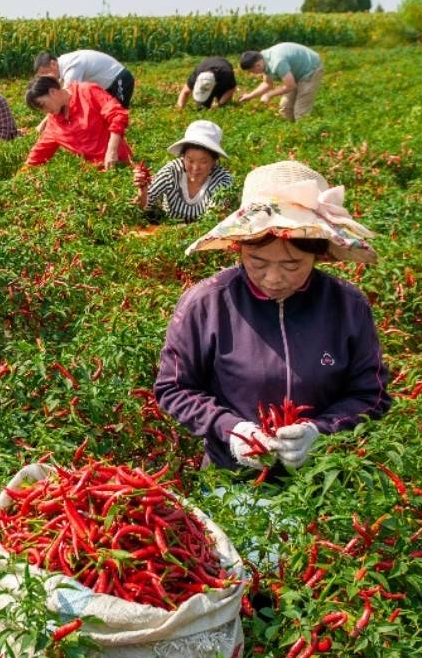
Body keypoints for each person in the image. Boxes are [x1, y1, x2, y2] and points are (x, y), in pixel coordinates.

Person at [155, 161, 388, 478]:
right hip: (232, 475)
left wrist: (320, 432)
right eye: (257, 261)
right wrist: (232, 431)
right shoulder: (207, 303)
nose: (274, 278)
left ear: (318, 254)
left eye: (292, 265)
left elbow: (370, 395)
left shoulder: (347, 306)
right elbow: (175, 388)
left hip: (326, 477)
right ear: (238, 247)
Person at [132, 120, 235, 224]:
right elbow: (143, 206)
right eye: (190, 160)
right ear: (183, 157)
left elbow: (212, 220)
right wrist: (143, 190)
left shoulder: (223, 181)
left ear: (214, 161)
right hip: (166, 225)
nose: (195, 168)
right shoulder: (172, 172)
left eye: (203, 161)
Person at [22, 75, 132, 170]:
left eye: (43, 105)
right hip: (94, 173)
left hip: (119, 162)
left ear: (53, 92)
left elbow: (117, 115)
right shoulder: (54, 121)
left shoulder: (86, 91)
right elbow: (40, 152)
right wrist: (22, 176)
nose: (44, 111)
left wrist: (112, 151)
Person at [236, 43, 324, 122]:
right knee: (285, 108)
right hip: (295, 73)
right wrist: (250, 96)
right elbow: (267, 84)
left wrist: (269, 95)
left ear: (257, 65)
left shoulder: (277, 62)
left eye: (252, 71)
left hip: (310, 69)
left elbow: (290, 86)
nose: (252, 74)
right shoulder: (263, 59)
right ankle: (292, 132)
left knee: (301, 113)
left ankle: (305, 134)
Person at [34, 49, 134, 107]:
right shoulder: (63, 62)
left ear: (53, 64)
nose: (45, 77)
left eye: (45, 73)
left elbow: (66, 96)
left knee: (118, 114)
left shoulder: (71, 66)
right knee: (105, 115)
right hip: (107, 86)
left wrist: (47, 120)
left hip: (120, 80)